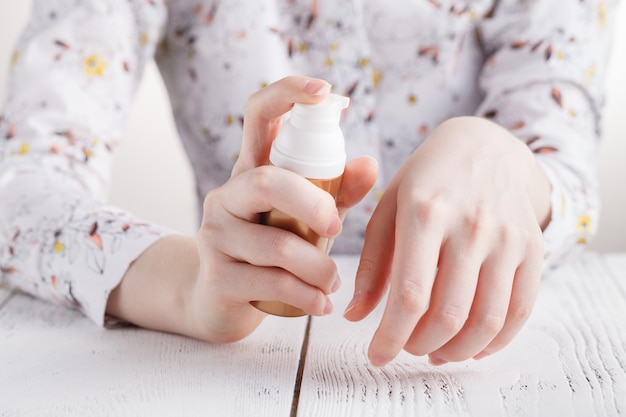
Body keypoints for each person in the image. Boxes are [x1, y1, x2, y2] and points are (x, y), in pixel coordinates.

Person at [0, 0, 617, 367]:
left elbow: (567, 177)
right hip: (241, 356)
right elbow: (18, 190)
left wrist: (507, 162)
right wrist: (186, 283)